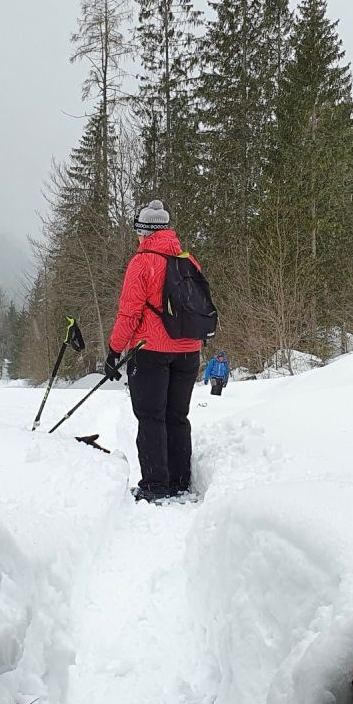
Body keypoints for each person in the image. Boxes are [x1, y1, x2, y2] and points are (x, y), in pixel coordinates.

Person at [105, 200, 205, 502]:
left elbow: (129, 314)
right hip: (189, 350)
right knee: (177, 416)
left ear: (145, 231)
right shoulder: (188, 259)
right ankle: (180, 481)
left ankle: (154, 485)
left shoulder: (142, 262)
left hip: (152, 351)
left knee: (151, 416)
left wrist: (114, 350)